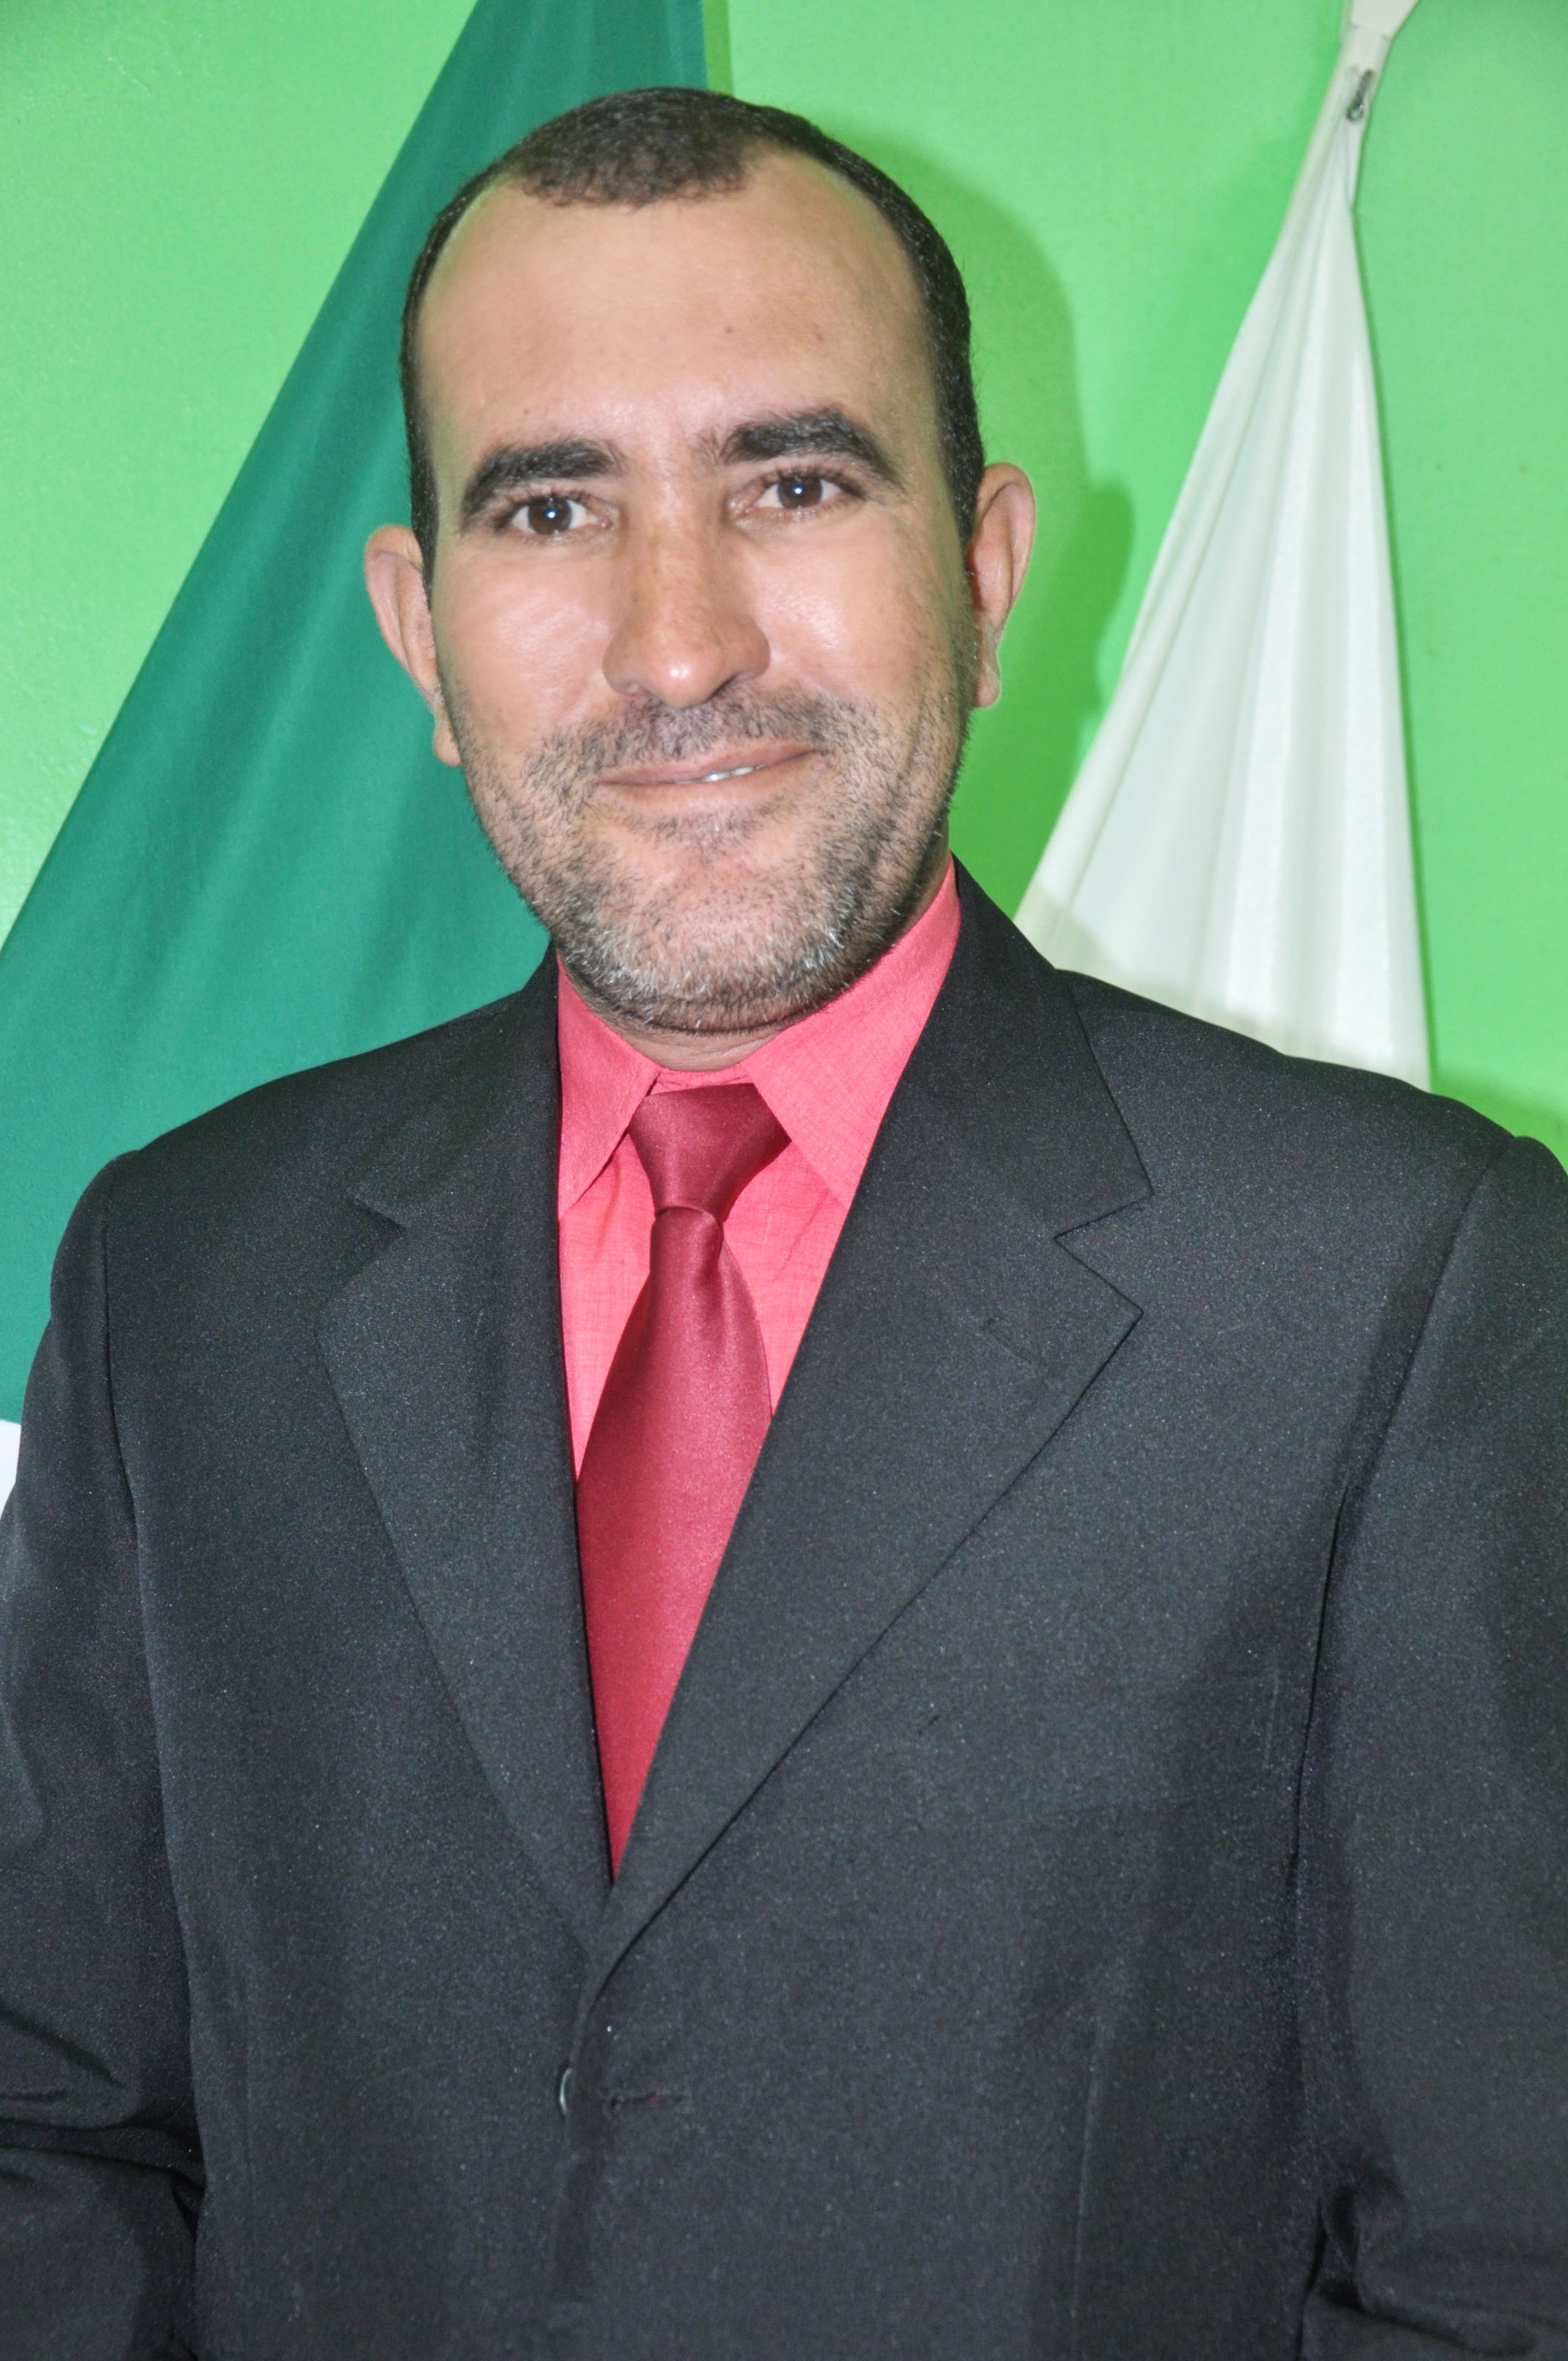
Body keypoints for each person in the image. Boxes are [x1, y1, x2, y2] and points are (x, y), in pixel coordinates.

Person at [1, 82, 1564, 2360]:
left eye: (796, 482)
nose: (678, 646)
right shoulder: (182, 1286)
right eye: (554, 506)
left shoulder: (1396, 1292)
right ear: (420, 632)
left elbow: (1504, 2260)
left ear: (988, 570)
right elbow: (49, 2133)